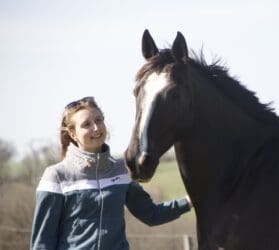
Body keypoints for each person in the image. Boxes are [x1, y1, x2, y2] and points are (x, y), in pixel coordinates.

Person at [30, 96, 192, 250]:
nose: (96, 128)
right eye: (86, 124)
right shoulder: (56, 176)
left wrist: (190, 201)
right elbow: (42, 242)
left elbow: (151, 214)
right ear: (72, 134)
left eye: (99, 120)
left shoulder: (122, 171)